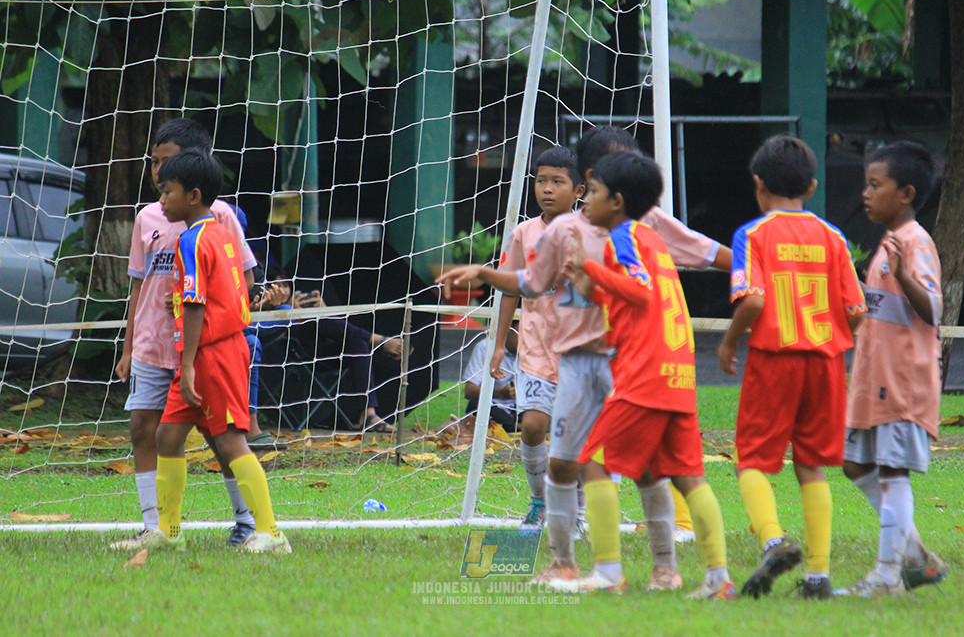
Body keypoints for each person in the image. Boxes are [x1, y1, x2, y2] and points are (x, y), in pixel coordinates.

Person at [437, 126, 729, 590]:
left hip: (627, 364)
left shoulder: (643, 228)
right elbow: (530, 282)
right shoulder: (562, 231)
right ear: (593, 177)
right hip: (575, 363)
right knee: (565, 462)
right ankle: (566, 562)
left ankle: (658, 567)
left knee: (638, 467)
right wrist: (487, 274)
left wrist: (755, 274)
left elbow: (698, 256)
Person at [551, 150, 735, 597]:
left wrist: (591, 268)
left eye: (594, 192)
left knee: (592, 464)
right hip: (677, 375)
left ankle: (607, 574)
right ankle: (717, 578)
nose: (587, 200)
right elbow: (634, 305)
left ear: (616, 201)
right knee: (688, 477)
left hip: (644, 378)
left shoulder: (624, 238)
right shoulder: (652, 239)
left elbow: (640, 291)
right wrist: (588, 282)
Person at [718, 135, 867, 599]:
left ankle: (773, 540)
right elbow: (857, 311)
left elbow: (753, 300)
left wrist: (728, 341)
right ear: (812, 186)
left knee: (751, 460)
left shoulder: (752, 235)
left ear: (758, 184)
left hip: (775, 359)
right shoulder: (834, 237)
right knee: (812, 466)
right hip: (826, 363)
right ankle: (819, 576)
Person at [125, 149, 290, 553]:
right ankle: (168, 532)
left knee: (230, 442)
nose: (162, 200)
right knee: (167, 435)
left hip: (212, 355)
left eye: (168, 191)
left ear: (193, 196)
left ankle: (270, 532)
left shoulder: (192, 240)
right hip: (207, 352)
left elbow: (196, 303)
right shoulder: (221, 233)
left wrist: (187, 365)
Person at [842, 141, 948, 597]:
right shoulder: (887, 244)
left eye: (875, 185)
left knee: (891, 472)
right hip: (874, 379)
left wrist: (905, 276)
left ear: (906, 194)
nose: (865, 193)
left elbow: (934, 309)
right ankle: (917, 557)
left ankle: (888, 576)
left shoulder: (914, 242)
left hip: (902, 382)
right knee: (854, 463)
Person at [490, 146, 585, 527]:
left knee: (572, 436)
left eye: (557, 182)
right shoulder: (524, 233)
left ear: (578, 190)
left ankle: (576, 511)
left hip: (578, 353)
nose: (547, 189)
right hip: (534, 351)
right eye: (540, 180)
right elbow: (509, 290)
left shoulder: (590, 233)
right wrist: (499, 345)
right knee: (531, 426)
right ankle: (539, 501)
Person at [247, 268, 403, 433]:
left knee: (357, 343)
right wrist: (290, 314)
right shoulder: (260, 308)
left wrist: (323, 310)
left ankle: (368, 414)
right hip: (288, 358)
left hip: (317, 355)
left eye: (285, 285)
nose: (283, 290)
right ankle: (378, 340)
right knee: (318, 322)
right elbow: (272, 339)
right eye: (276, 285)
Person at [463, 321, 519, 433]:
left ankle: (516, 425)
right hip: (493, 406)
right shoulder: (485, 348)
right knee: (475, 404)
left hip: (520, 409)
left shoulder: (535, 351)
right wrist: (501, 393)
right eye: (523, 332)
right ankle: (515, 426)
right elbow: (469, 391)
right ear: (509, 328)